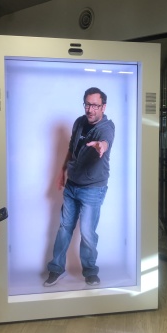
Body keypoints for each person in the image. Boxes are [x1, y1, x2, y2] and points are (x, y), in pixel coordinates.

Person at [44, 87, 115, 287]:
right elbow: (71, 149)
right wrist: (62, 171)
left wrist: (102, 146)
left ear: (103, 106)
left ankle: (90, 271)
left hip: (92, 189)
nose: (90, 109)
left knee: (87, 232)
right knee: (64, 229)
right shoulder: (79, 122)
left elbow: (106, 141)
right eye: (88, 104)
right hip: (72, 186)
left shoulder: (106, 127)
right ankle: (56, 269)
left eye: (95, 105)